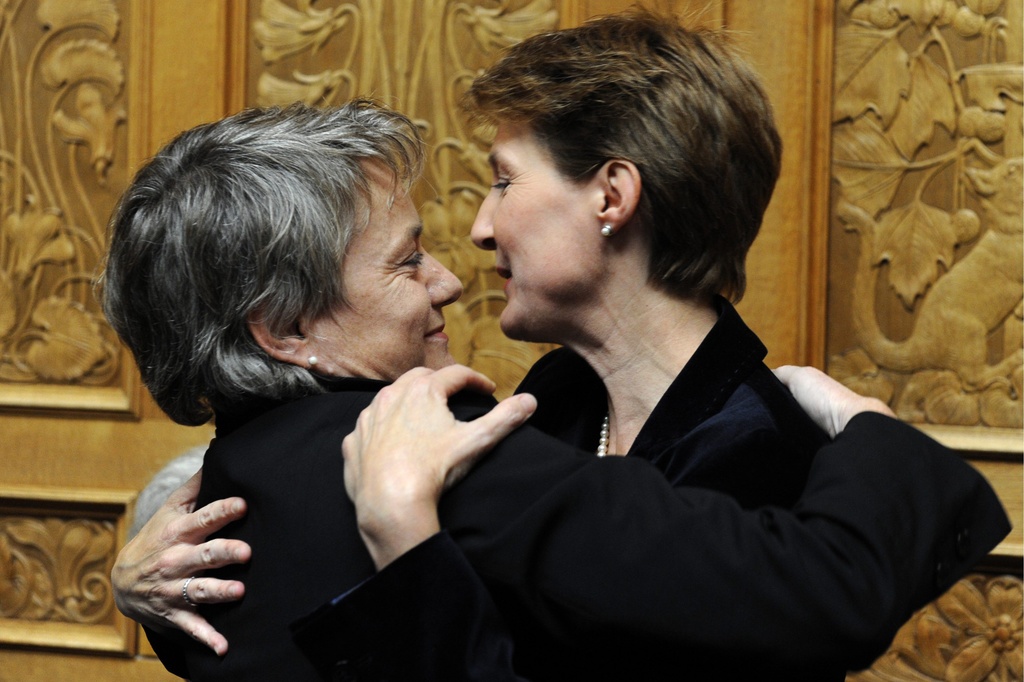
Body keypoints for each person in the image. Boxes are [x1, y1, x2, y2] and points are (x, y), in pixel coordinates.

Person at [106, 11, 1009, 681]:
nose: (473, 239)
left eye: (502, 182)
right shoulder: (501, 423)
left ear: (613, 196)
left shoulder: (757, 437)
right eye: (410, 259)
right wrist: (874, 425)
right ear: (286, 330)